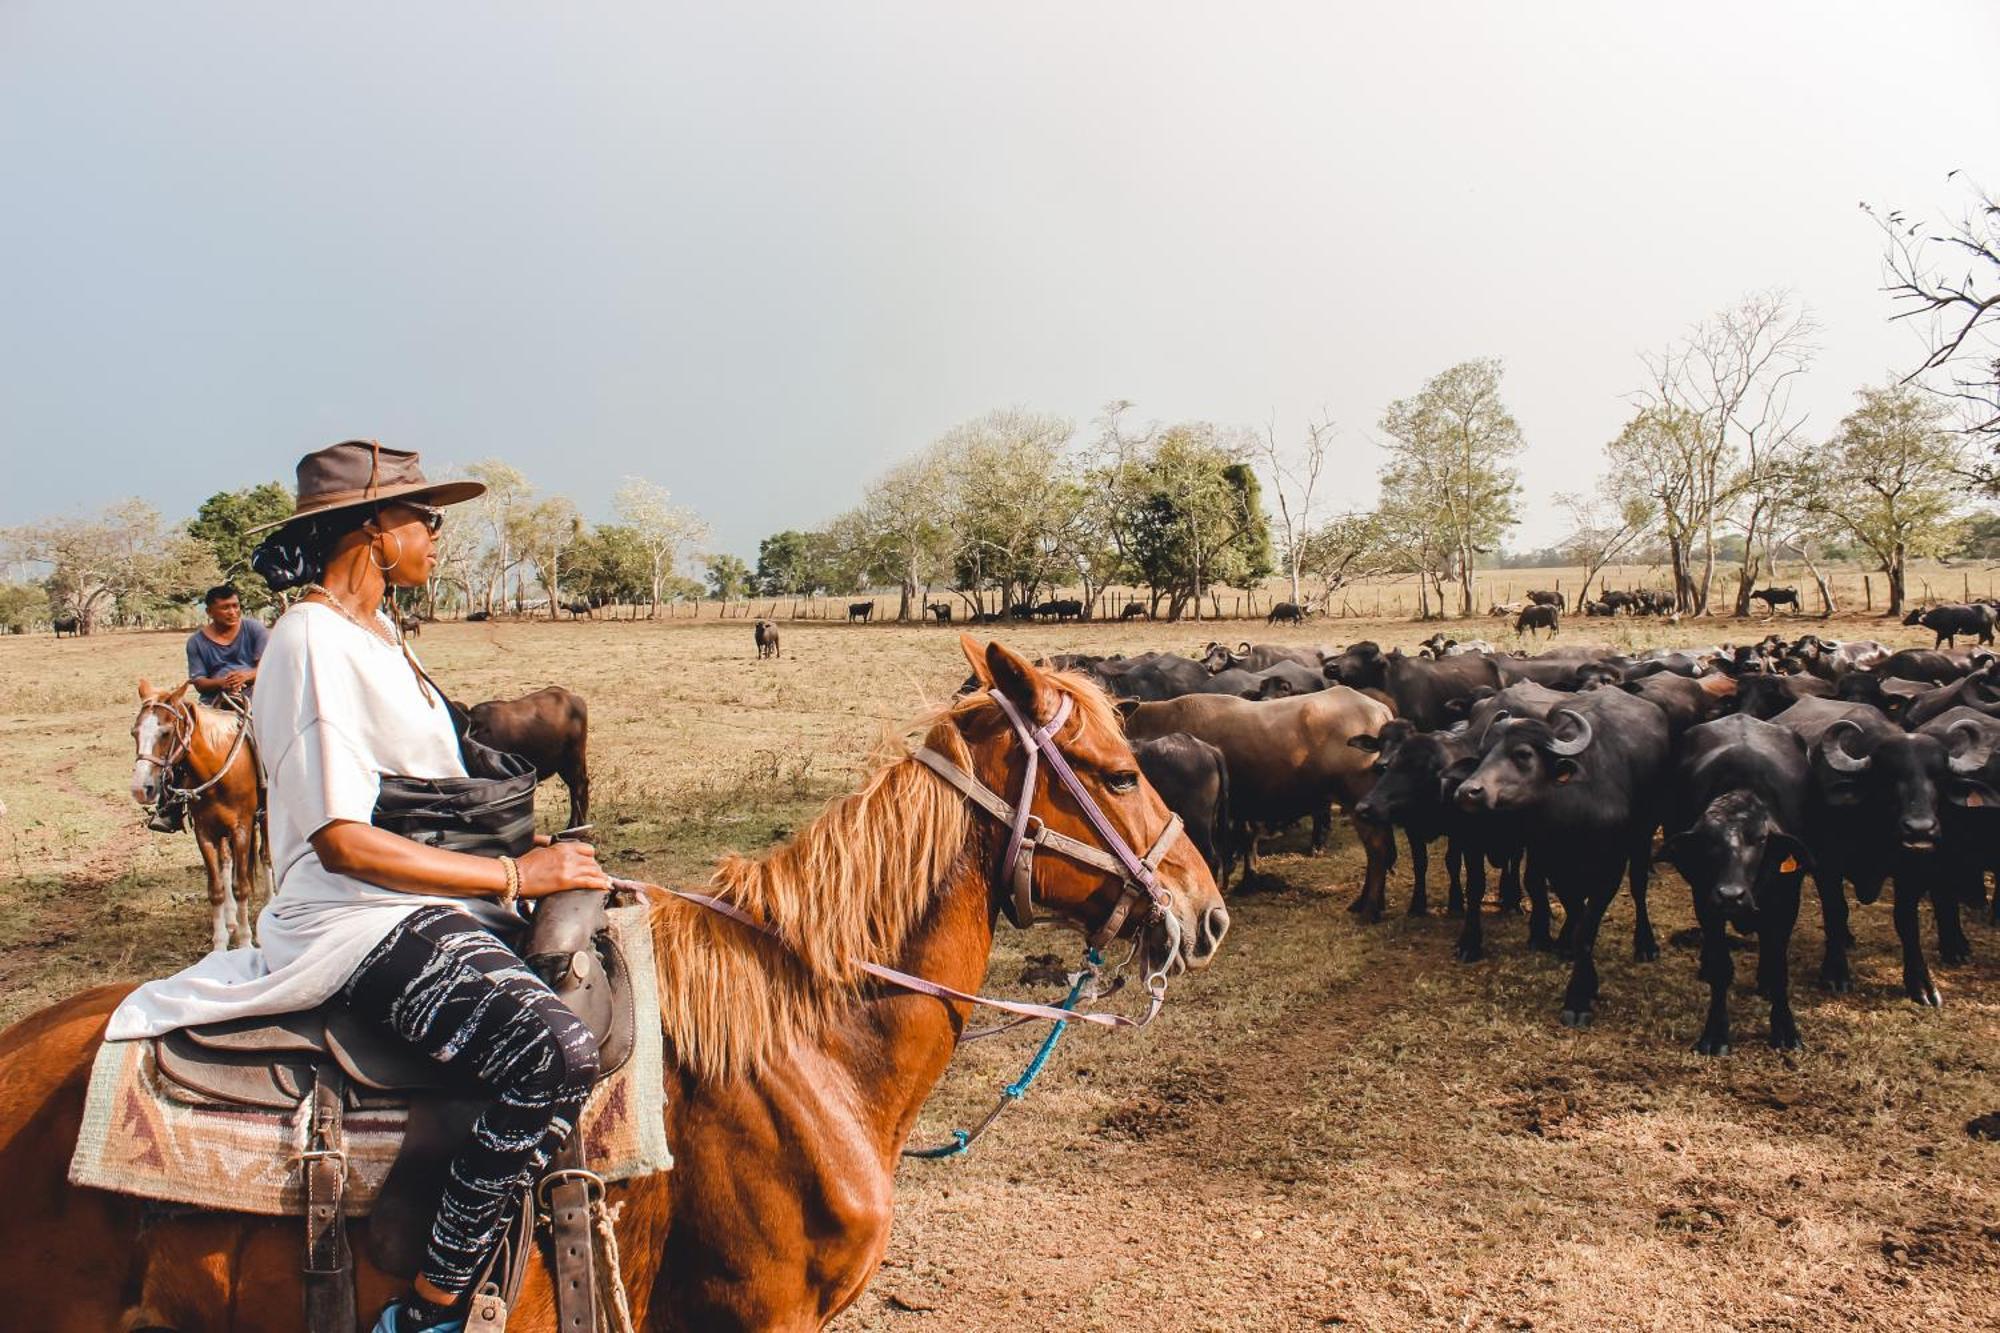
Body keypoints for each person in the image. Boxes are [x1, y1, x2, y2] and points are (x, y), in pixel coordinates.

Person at [106, 440, 612, 1333]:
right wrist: (512, 873)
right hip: (358, 920)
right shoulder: (308, 641)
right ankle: (430, 1309)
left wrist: (521, 844)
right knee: (552, 1052)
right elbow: (344, 839)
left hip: (416, 897)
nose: (436, 535)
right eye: (426, 517)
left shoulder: (379, 637)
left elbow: (417, 797)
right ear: (375, 529)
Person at [147, 584, 272, 833]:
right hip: (213, 704)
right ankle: (169, 807)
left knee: (272, 740)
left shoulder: (254, 630)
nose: (232, 612)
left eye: (235, 606)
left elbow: (267, 666)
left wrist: (245, 677)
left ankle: (273, 796)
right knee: (181, 745)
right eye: (225, 607)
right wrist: (222, 683)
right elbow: (198, 680)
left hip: (254, 698)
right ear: (210, 611)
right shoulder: (197, 642)